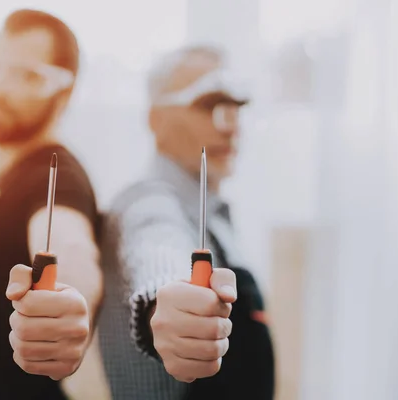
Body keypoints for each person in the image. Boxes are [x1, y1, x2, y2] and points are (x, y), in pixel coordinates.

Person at [0, 9, 108, 400]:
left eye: (27, 75)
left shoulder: (57, 177)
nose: (0, 86)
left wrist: (70, 308)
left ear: (65, 92)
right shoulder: (1, 182)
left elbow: (71, 246)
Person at [98, 45, 275, 399]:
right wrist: (168, 297)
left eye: (235, 107)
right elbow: (156, 247)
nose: (230, 126)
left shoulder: (212, 212)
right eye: (209, 104)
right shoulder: (145, 201)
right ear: (155, 119)